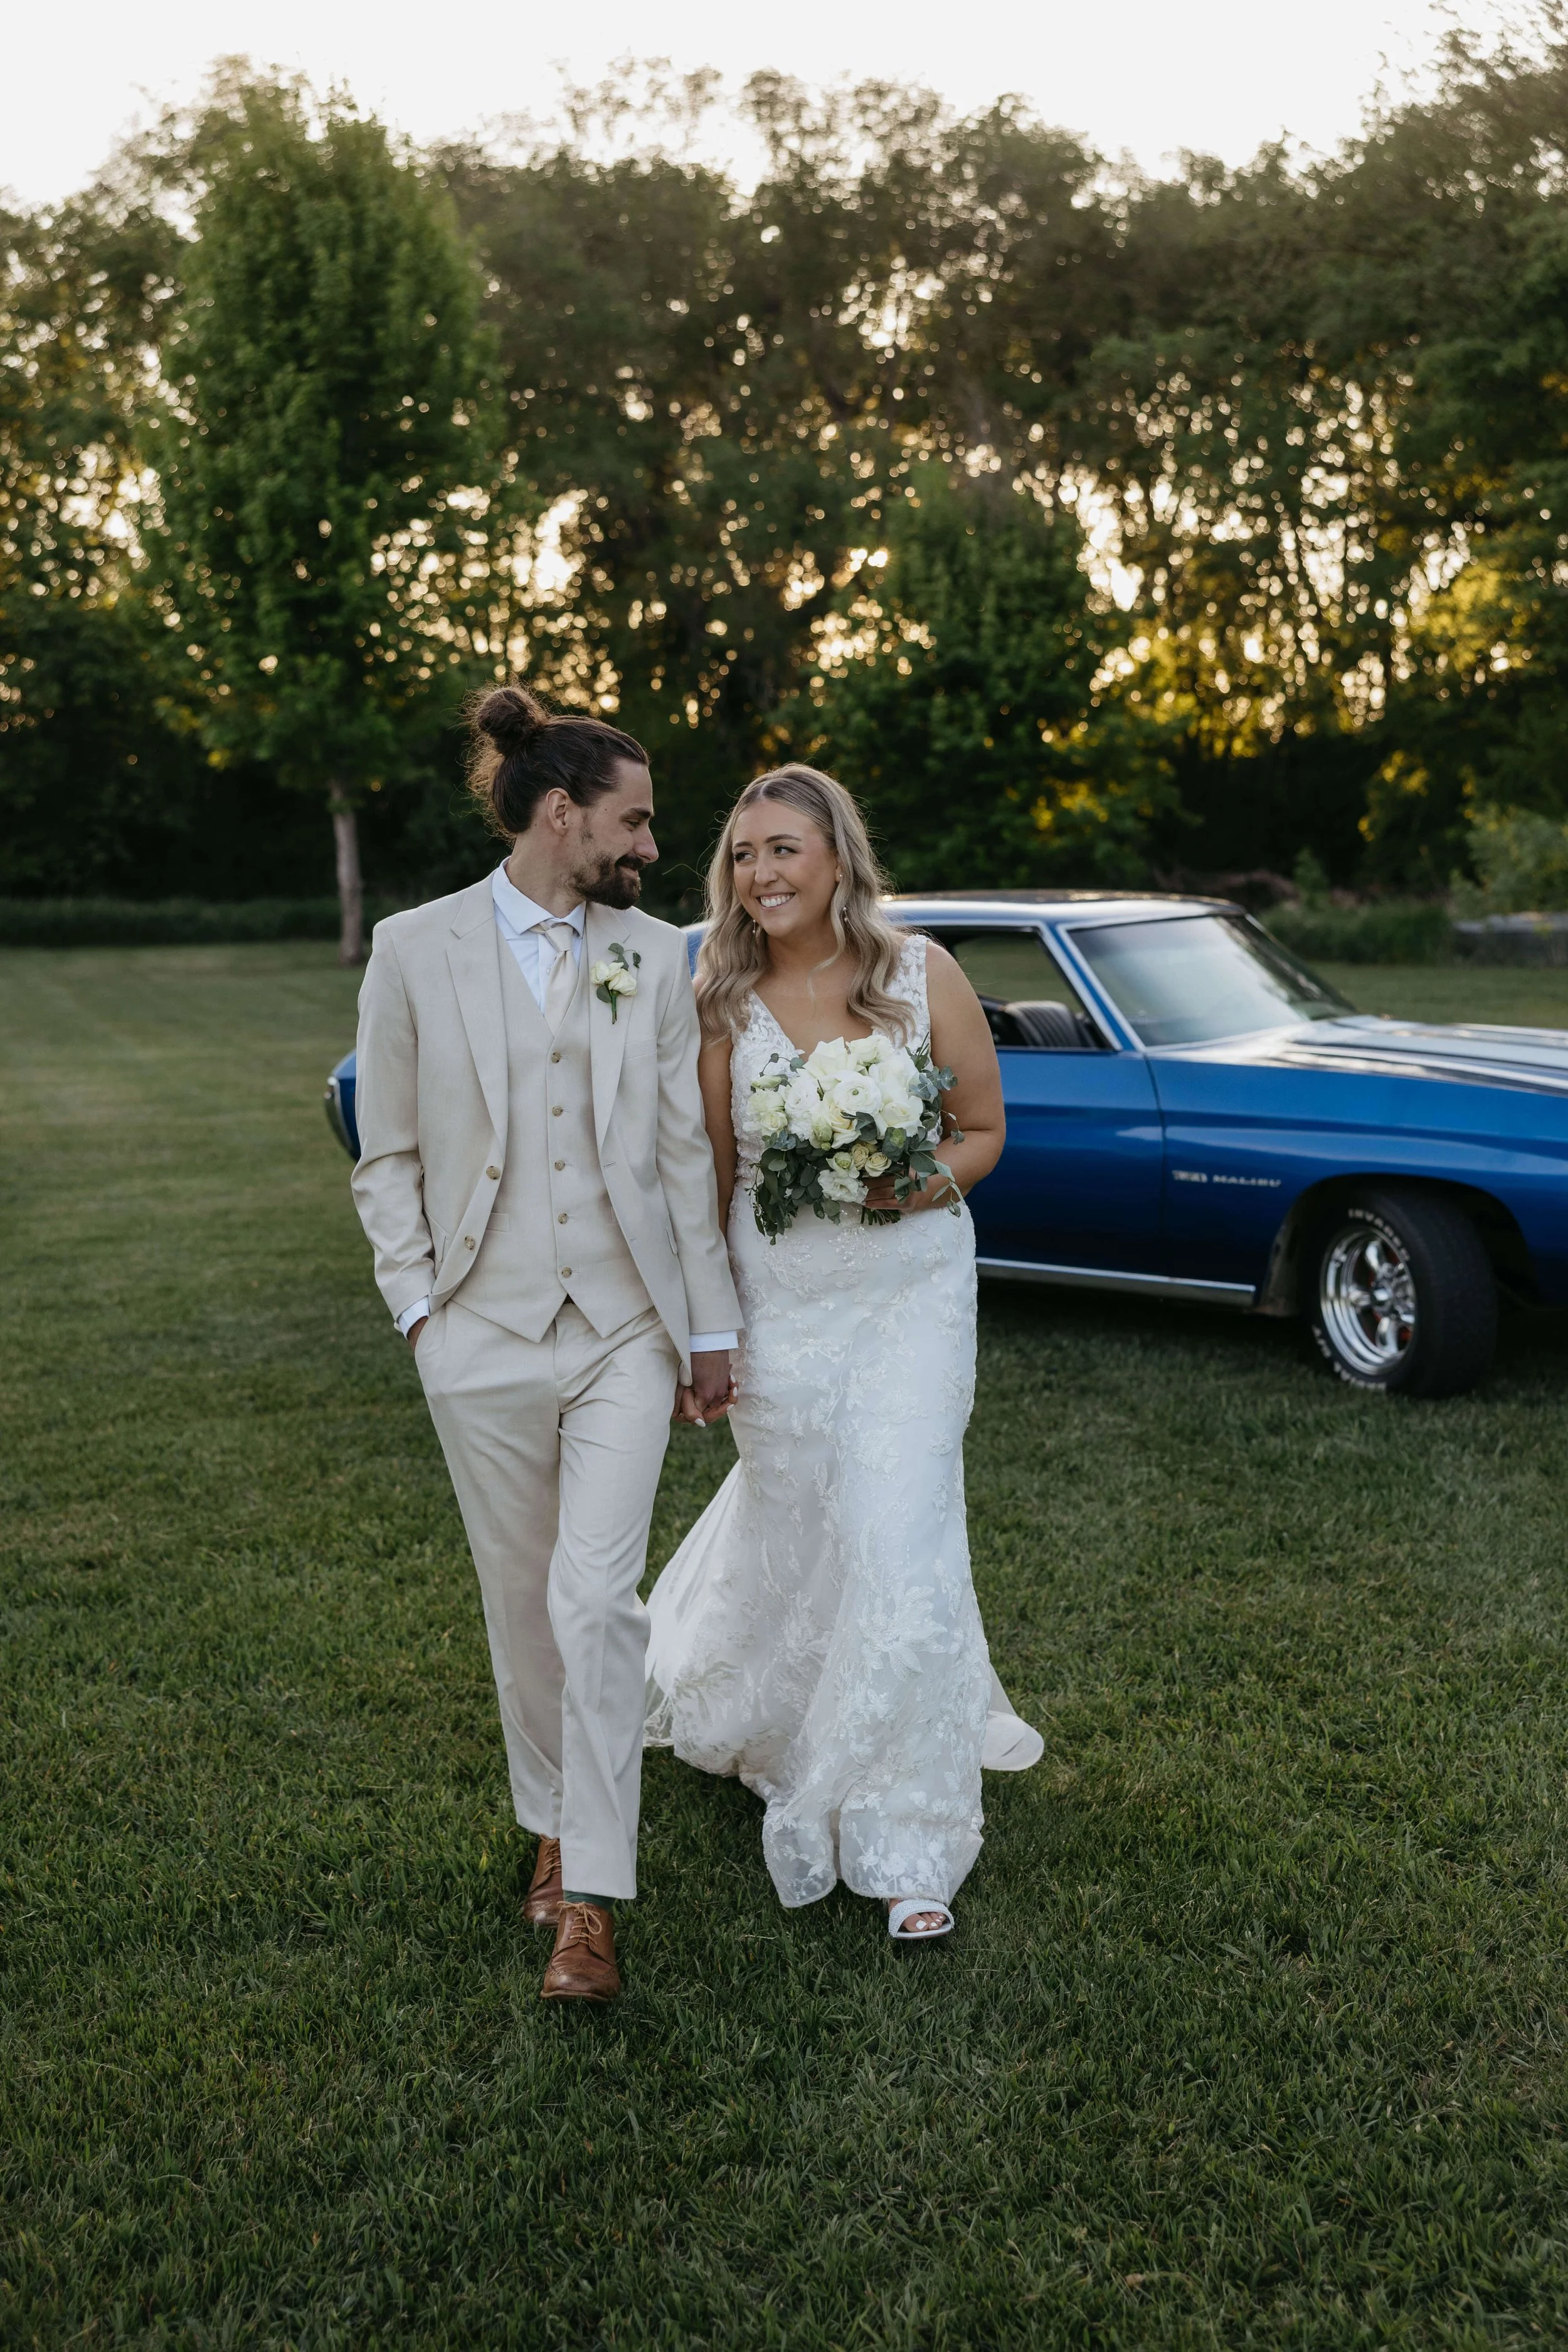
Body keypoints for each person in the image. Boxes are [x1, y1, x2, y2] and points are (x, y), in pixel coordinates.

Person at [351, 685, 740, 2004]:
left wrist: (705, 1330)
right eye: (632, 820)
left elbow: (682, 1152)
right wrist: (418, 1310)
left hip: (622, 1330)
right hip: (479, 1330)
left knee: (595, 1601)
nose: (648, 844)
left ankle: (590, 1902)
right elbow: (386, 1147)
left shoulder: (653, 948)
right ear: (560, 814)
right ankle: (554, 1817)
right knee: (523, 1607)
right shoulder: (414, 947)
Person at [645, 766, 1043, 1943]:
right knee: (806, 1519)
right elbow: (716, 1181)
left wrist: (919, 1182)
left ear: (836, 857)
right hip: (783, 1305)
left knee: (899, 1528)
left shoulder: (922, 974)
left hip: (912, 1290)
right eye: (742, 853)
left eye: (783, 850)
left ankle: (904, 1834)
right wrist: (705, 1333)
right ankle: (774, 1717)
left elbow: (983, 1130)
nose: (759, 874)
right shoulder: (720, 996)